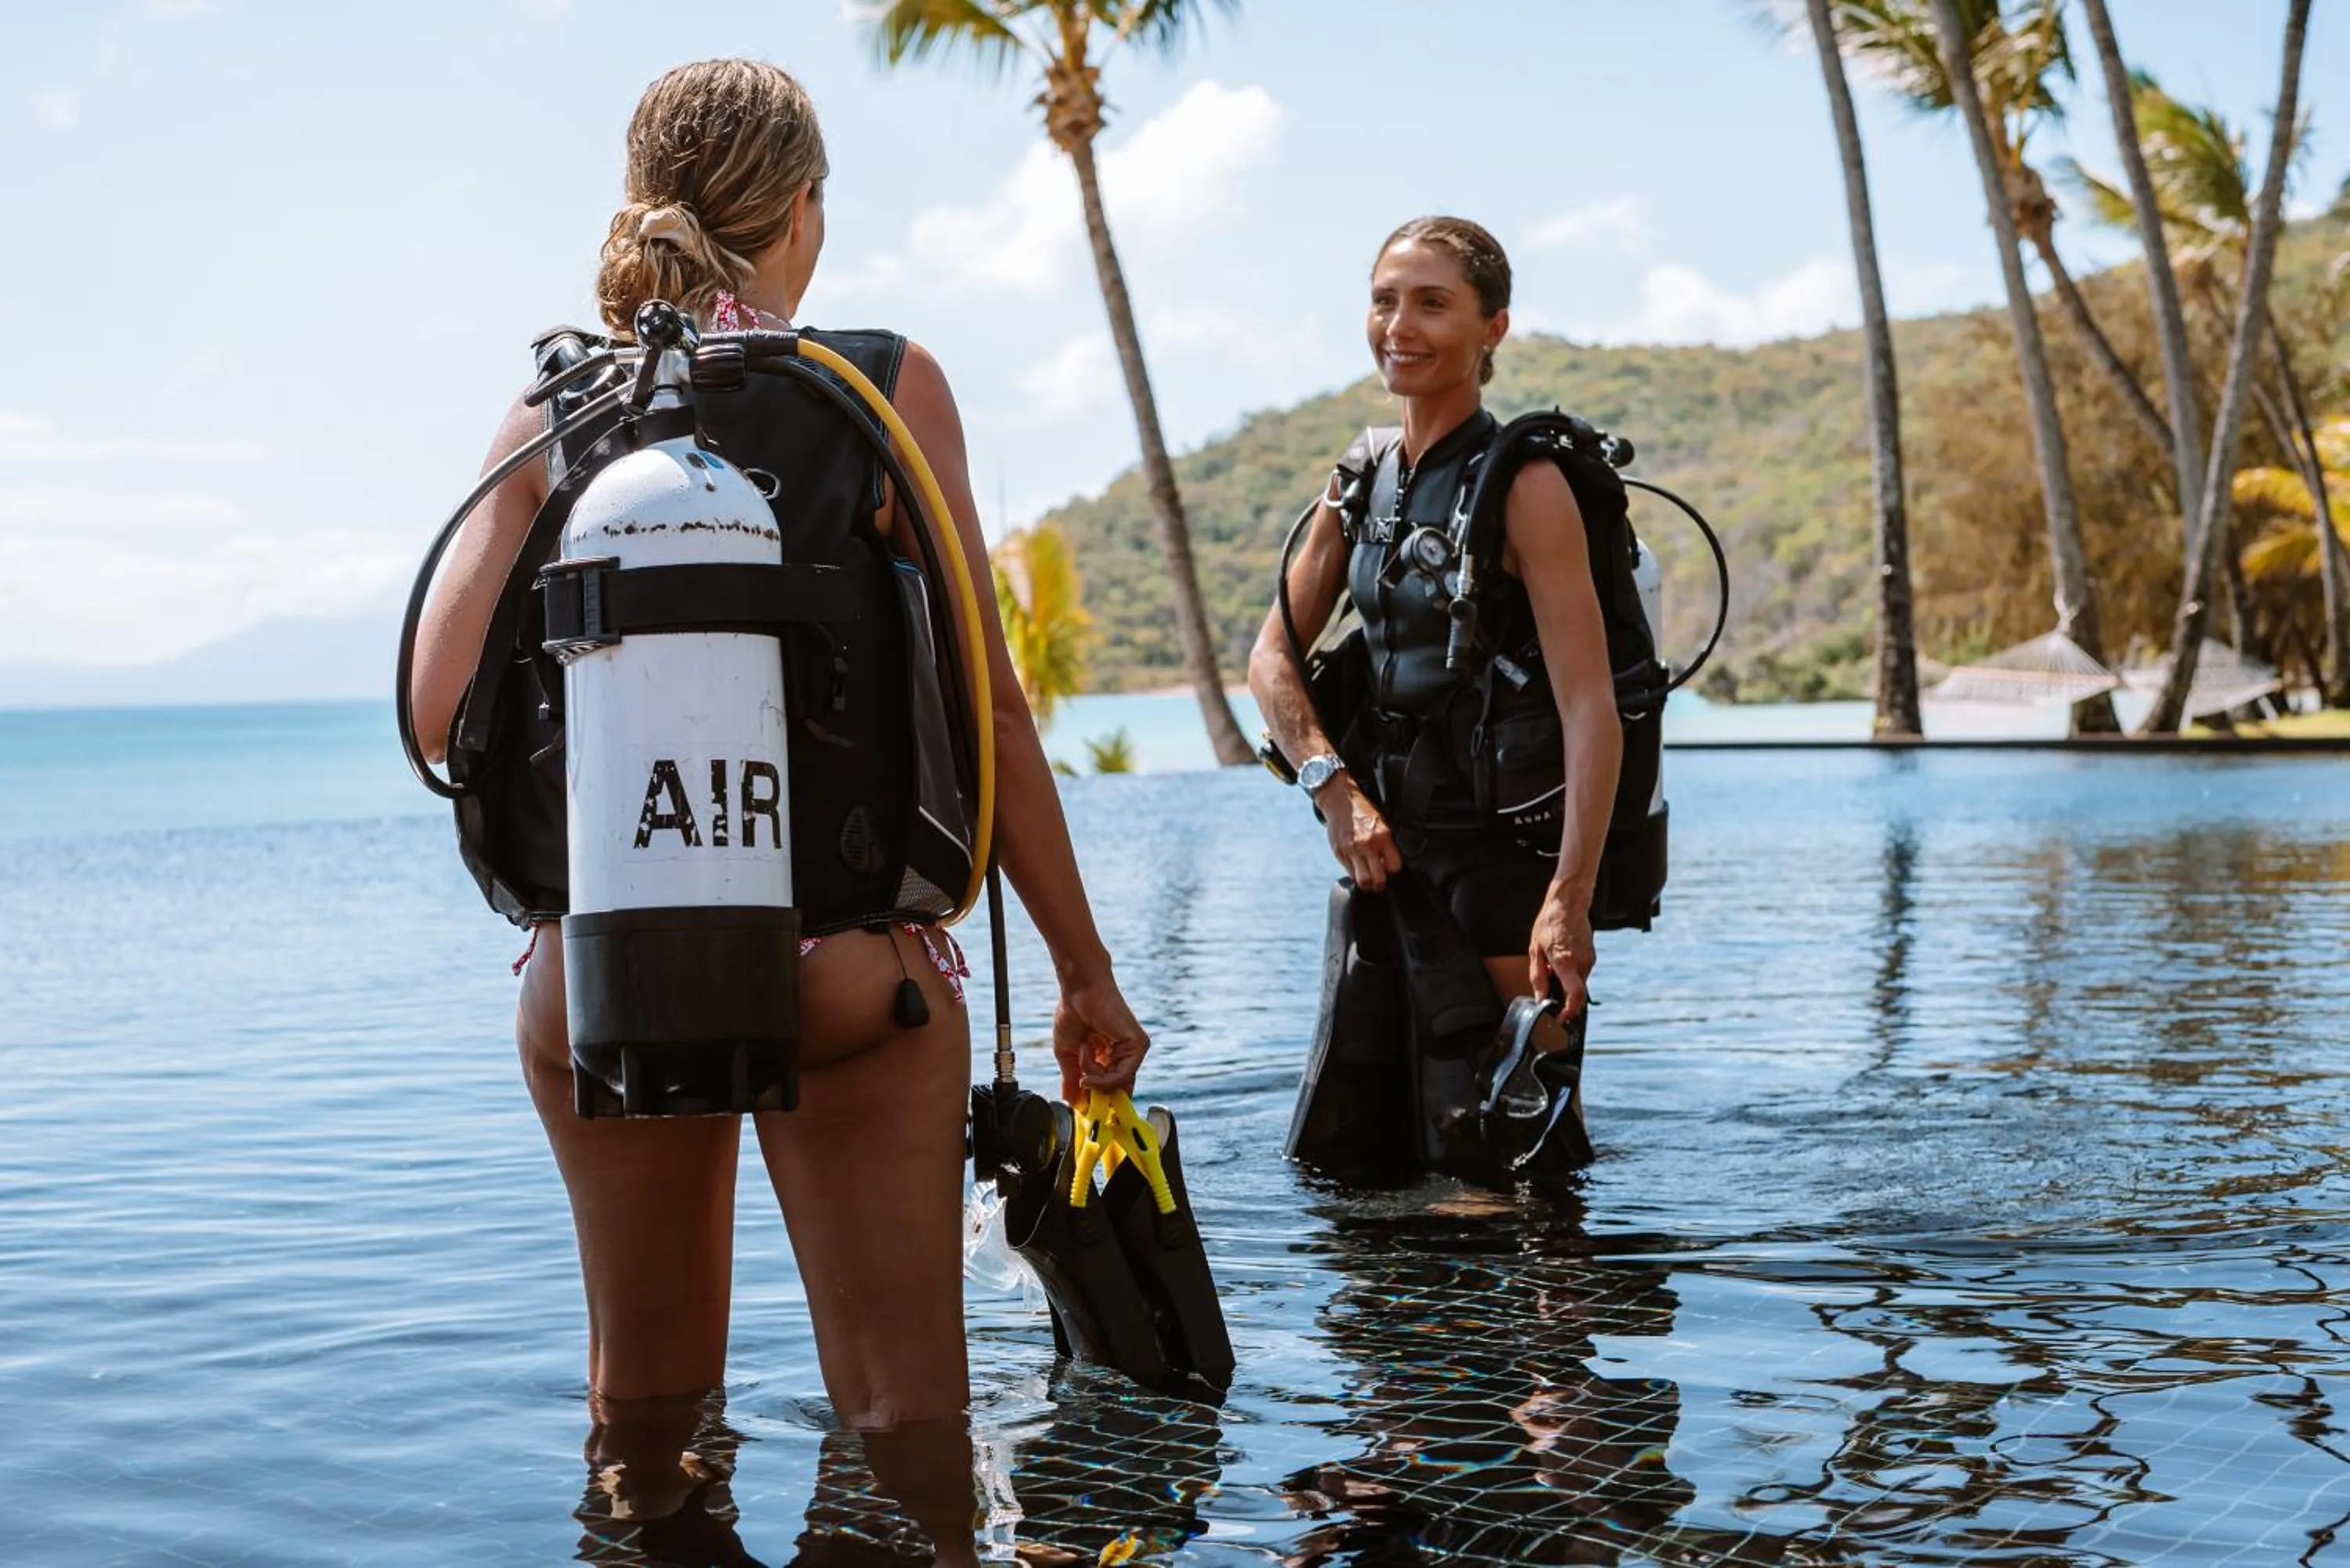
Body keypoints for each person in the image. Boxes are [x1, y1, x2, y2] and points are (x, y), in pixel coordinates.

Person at [405, 58, 1147, 1548]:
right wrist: (1082, 965)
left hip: (603, 969)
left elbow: (437, 721)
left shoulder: (553, 406)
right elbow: (989, 714)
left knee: (645, 1406)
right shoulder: (877, 383)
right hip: (845, 976)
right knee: (900, 1417)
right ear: (806, 209)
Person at [1248, 215, 1623, 1176]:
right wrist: (1336, 792)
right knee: (1381, 1160)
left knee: (1521, 1162)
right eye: (1384, 299)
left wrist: (1568, 902)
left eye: (1431, 303)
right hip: (1388, 859)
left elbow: (1592, 709)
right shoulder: (1361, 480)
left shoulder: (1528, 488)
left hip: (1506, 872)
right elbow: (1270, 662)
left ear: (1492, 327)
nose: (1398, 325)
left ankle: (1536, 1328)